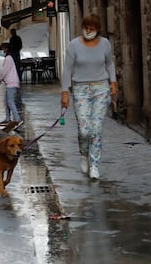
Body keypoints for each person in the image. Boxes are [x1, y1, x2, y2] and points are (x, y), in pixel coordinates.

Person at [60, 14, 117, 180]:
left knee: (96, 128)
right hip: (80, 89)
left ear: (97, 29)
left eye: (92, 28)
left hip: (101, 88)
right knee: (84, 130)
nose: (88, 31)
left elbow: (109, 63)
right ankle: (83, 155)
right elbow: (67, 70)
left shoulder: (105, 44)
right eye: (86, 28)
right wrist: (65, 92)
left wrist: (113, 81)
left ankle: (94, 165)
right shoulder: (73, 46)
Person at [0, 42, 23, 127]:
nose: (0, 51)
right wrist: (0, 79)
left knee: (10, 101)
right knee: (6, 101)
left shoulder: (8, 59)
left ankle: (18, 119)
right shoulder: (9, 58)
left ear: (5, 50)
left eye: (1, 49)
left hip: (11, 83)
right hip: (10, 83)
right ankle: (7, 119)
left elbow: (4, 72)